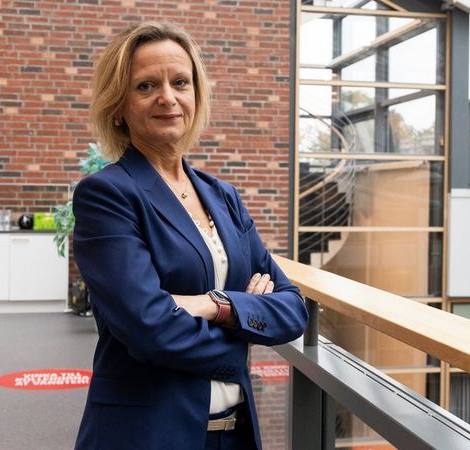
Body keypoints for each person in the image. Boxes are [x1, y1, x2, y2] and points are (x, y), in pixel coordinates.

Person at [72, 21, 308, 449]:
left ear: (196, 94)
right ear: (119, 106)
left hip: (233, 435)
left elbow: (292, 308)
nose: (168, 97)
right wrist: (247, 322)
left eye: (180, 82)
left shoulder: (223, 196)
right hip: (147, 434)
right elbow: (149, 329)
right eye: (146, 86)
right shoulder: (107, 195)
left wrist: (214, 306)